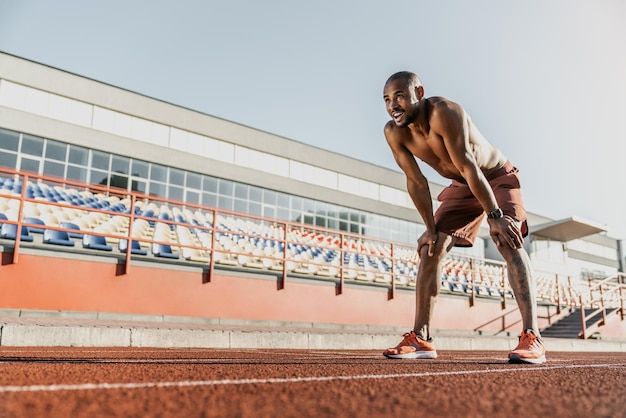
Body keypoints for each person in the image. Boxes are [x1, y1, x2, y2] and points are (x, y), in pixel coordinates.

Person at [381, 71, 546, 364]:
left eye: (400, 96)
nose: (393, 104)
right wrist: (430, 229)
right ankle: (421, 338)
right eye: (387, 99)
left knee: (507, 238)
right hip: (461, 185)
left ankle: (531, 337)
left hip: (493, 176)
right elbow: (416, 182)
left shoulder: (444, 112)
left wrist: (495, 216)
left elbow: (470, 166)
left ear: (419, 92)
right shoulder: (395, 133)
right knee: (429, 248)